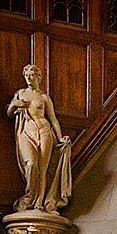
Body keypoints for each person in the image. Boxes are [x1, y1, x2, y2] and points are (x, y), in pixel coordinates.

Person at [7, 64, 72, 213]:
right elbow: (10, 114)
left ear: (39, 77)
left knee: (43, 168)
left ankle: (40, 202)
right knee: (31, 163)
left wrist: (60, 138)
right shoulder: (20, 93)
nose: (29, 78)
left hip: (44, 129)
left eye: (32, 75)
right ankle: (29, 197)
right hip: (26, 130)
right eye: (27, 75)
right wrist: (13, 104)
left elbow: (53, 119)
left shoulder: (44, 97)